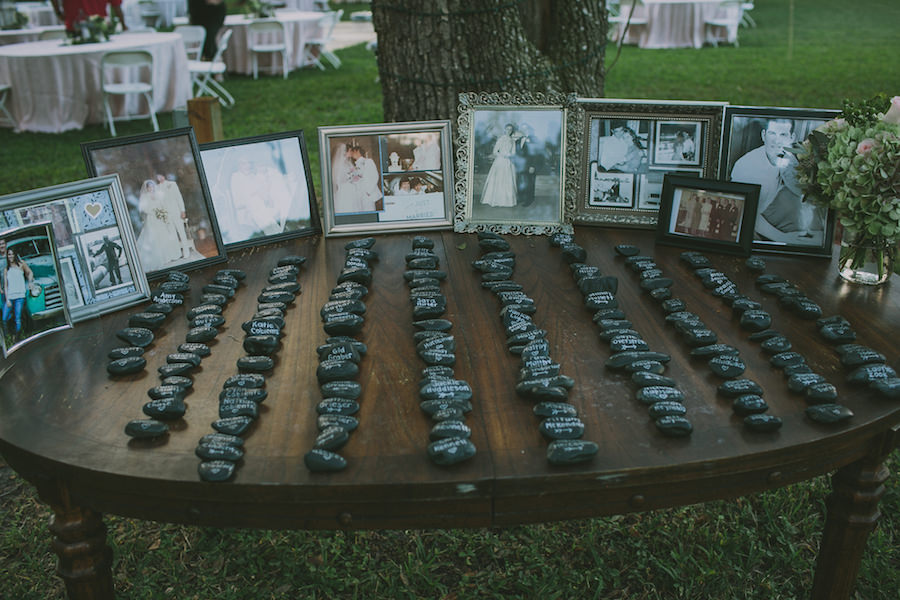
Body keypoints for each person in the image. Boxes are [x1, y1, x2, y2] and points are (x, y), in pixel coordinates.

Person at [730, 118, 823, 243]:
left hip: (783, 218)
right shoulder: (746, 166)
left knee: (819, 237)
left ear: (792, 138)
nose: (777, 140)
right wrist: (782, 238)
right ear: (764, 135)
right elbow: (744, 213)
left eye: (783, 134)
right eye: (772, 133)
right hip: (754, 229)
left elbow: (800, 192)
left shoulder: (791, 157)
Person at [135, 180, 181, 272]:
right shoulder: (144, 196)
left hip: (160, 218)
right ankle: (159, 258)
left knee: (164, 235)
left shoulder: (157, 195)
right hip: (152, 218)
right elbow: (143, 208)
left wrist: (162, 212)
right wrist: (154, 212)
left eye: (152, 187)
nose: (151, 188)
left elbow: (162, 204)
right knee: (154, 236)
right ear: (147, 188)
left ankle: (168, 255)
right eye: (149, 187)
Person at [155, 174, 197, 259]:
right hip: (166, 214)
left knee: (181, 232)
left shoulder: (172, 184)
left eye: (161, 176)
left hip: (176, 212)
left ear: (164, 176)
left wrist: (182, 210)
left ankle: (186, 252)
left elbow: (179, 197)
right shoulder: (157, 188)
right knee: (172, 235)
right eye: (158, 177)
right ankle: (177, 253)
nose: (160, 178)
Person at [480, 123, 522, 208]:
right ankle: (496, 199)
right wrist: (502, 155)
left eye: (510, 129)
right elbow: (495, 151)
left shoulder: (512, 141)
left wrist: (509, 155)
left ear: (512, 131)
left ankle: (507, 201)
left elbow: (514, 153)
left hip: (508, 162)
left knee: (508, 179)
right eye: (507, 129)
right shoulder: (500, 139)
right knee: (499, 179)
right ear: (504, 130)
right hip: (500, 161)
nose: (508, 131)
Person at [3, 247, 35, 343]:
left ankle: (16, 337)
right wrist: (7, 299)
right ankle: (8, 336)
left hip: (20, 296)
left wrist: (30, 282)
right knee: (4, 318)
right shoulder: (6, 269)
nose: (11, 256)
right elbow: (5, 285)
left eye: (12, 254)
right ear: (7, 256)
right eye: (9, 254)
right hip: (10, 297)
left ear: (15, 254)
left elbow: (30, 273)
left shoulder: (21, 264)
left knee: (18, 319)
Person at [346, 145, 382, 212]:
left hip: (367, 193)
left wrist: (369, 191)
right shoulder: (355, 165)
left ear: (357, 151)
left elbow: (375, 176)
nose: (351, 154)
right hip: (358, 193)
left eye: (352, 152)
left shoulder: (368, 161)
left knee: (369, 210)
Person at [54, 0, 127, 33]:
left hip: (74, 26)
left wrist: (58, 12)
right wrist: (124, 26)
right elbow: (117, 6)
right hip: (100, 27)